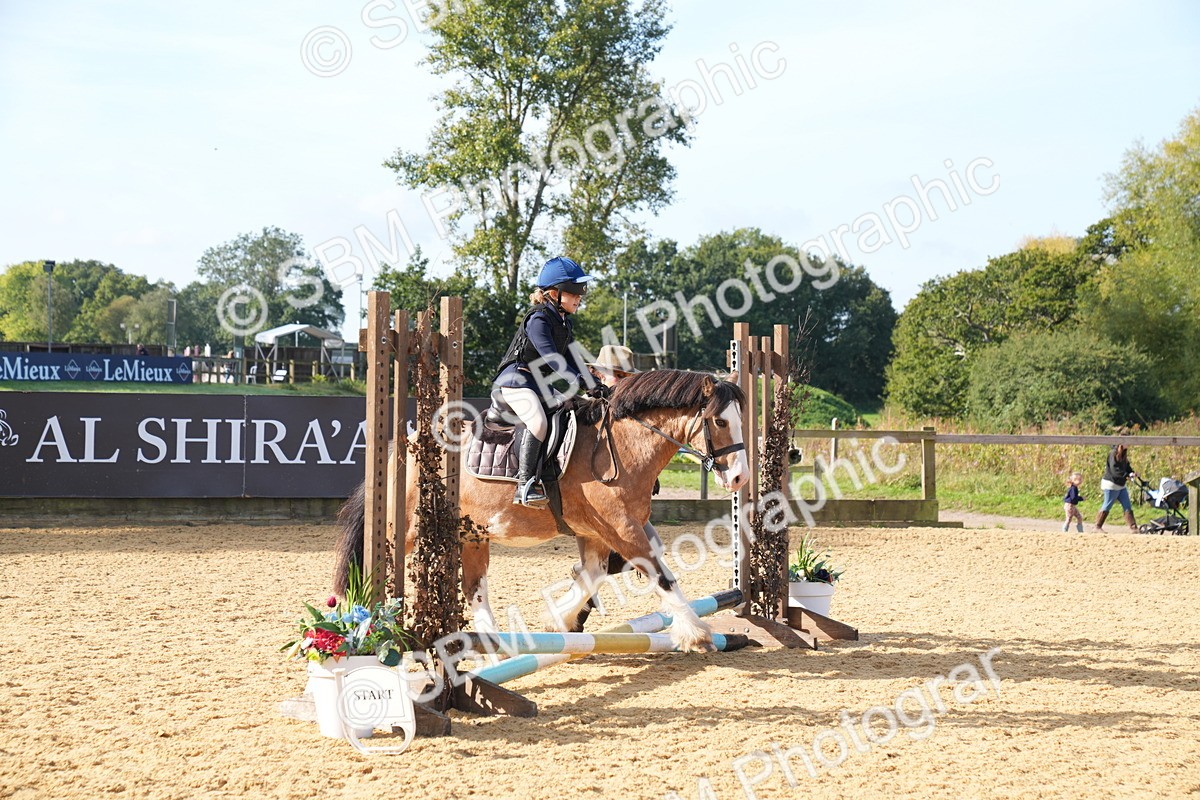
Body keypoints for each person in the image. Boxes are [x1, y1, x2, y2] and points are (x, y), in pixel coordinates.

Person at [491, 256, 596, 507]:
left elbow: (573, 357)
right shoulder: (537, 318)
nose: (579, 297)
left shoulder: (563, 322)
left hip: (537, 383)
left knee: (575, 409)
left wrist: (593, 383)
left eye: (580, 292)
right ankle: (524, 485)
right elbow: (551, 358)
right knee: (538, 422)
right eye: (573, 292)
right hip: (515, 380)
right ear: (552, 293)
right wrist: (581, 380)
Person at [1096, 445, 1138, 532]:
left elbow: (1127, 467)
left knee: (1127, 505)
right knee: (1107, 505)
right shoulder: (1113, 454)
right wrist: (1126, 475)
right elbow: (1115, 470)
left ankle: (1133, 527)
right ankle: (1097, 526)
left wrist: (1132, 473)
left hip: (1121, 485)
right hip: (1111, 484)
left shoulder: (1123, 454)